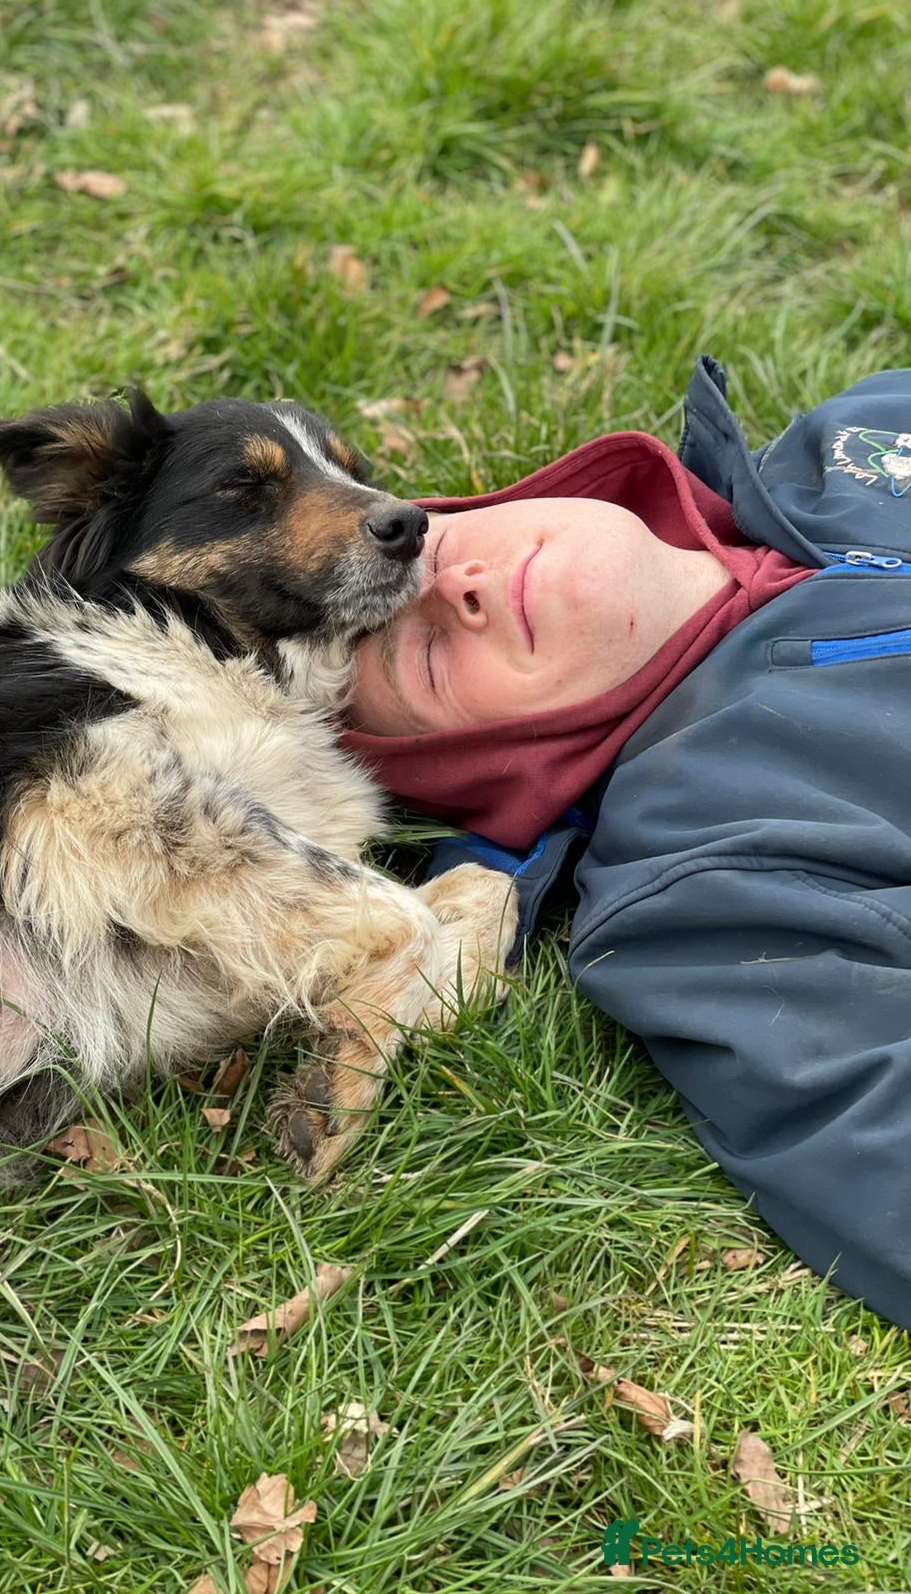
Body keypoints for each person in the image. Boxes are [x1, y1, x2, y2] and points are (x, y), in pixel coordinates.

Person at [340, 354, 911, 1330]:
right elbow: (871, 1141)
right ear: (482, 769)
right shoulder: (702, 872)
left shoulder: (846, 450)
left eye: (424, 551)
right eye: (427, 656)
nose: (461, 589)